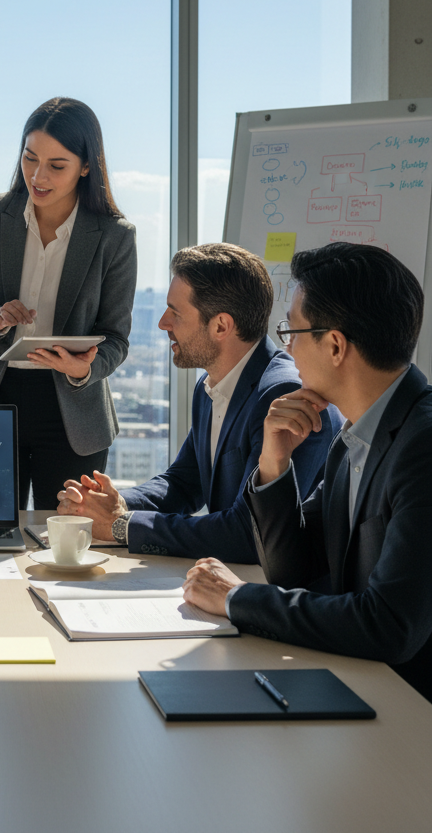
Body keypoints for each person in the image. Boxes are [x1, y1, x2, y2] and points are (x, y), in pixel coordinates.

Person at [183, 243, 432, 701]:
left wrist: (236, 598)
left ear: (335, 345)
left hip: (409, 712)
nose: (286, 346)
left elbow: (389, 626)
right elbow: (294, 569)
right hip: (357, 683)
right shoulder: (353, 435)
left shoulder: (422, 445)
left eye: (292, 331)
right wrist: (274, 463)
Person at [57, 243, 341, 561]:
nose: (163, 323)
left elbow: (248, 534)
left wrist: (123, 525)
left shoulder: (282, 394)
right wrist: (106, 502)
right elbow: (183, 483)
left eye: (175, 313)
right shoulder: (210, 386)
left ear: (221, 326)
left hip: (280, 589)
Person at [0, 96, 136, 510]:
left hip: (72, 410)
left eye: (56, 165)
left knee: (65, 542)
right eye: (30, 158)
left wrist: (84, 368)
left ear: (86, 166)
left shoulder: (115, 237)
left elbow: (117, 339)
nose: (38, 175)